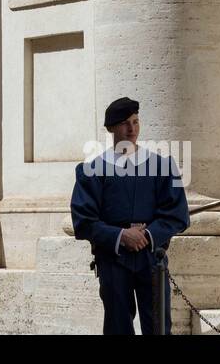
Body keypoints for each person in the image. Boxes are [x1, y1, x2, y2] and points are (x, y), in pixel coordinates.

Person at [70, 97, 189, 335]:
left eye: (135, 122)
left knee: (158, 328)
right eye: (125, 123)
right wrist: (122, 236)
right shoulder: (92, 170)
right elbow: (83, 222)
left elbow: (178, 215)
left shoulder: (162, 166)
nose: (132, 128)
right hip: (113, 260)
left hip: (151, 257)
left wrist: (147, 234)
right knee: (117, 327)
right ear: (111, 128)